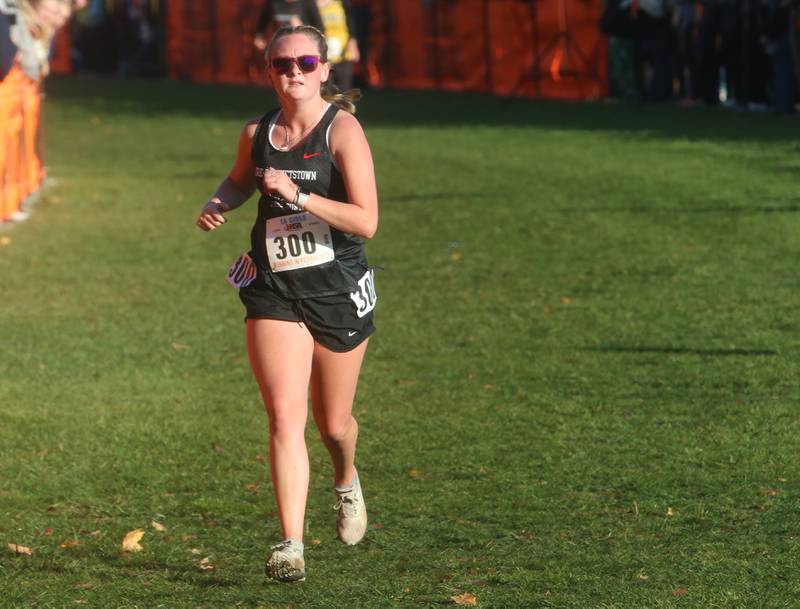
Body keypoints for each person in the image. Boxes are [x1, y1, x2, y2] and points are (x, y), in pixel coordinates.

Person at [196, 24, 378, 583]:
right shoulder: (257, 131)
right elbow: (238, 181)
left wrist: (299, 194)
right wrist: (218, 202)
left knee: (333, 423)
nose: (293, 72)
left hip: (336, 289)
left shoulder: (342, 130)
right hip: (274, 288)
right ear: (269, 72)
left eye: (304, 62)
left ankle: (345, 479)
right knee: (283, 417)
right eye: (281, 64)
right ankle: (291, 544)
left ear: (325, 69)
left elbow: (367, 221)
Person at [314, 0, 359, 91]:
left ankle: (343, 105)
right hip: (322, 52)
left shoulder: (341, 2)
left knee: (344, 88)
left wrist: (353, 42)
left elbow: (350, 21)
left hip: (343, 50)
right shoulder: (309, 4)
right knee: (325, 88)